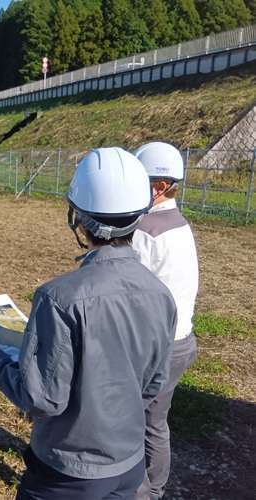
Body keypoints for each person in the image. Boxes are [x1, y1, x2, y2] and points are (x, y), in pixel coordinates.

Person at [0, 147, 176, 499]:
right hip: (129, 463)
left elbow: (41, 399)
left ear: (78, 218)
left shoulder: (58, 298)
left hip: (68, 471)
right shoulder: (160, 293)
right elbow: (154, 382)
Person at [132, 142, 199, 500]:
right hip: (180, 338)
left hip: (155, 347)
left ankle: (143, 491)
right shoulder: (179, 224)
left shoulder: (146, 231)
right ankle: (152, 489)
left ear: (159, 186)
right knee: (155, 422)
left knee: (140, 424)